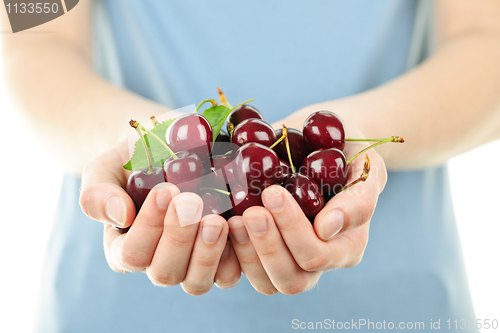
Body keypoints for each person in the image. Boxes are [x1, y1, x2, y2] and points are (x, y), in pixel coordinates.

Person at [3, 0, 500, 332]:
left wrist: (346, 137)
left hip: (390, 309)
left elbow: (489, 37)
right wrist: (138, 142)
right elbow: (33, 35)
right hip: (119, 308)